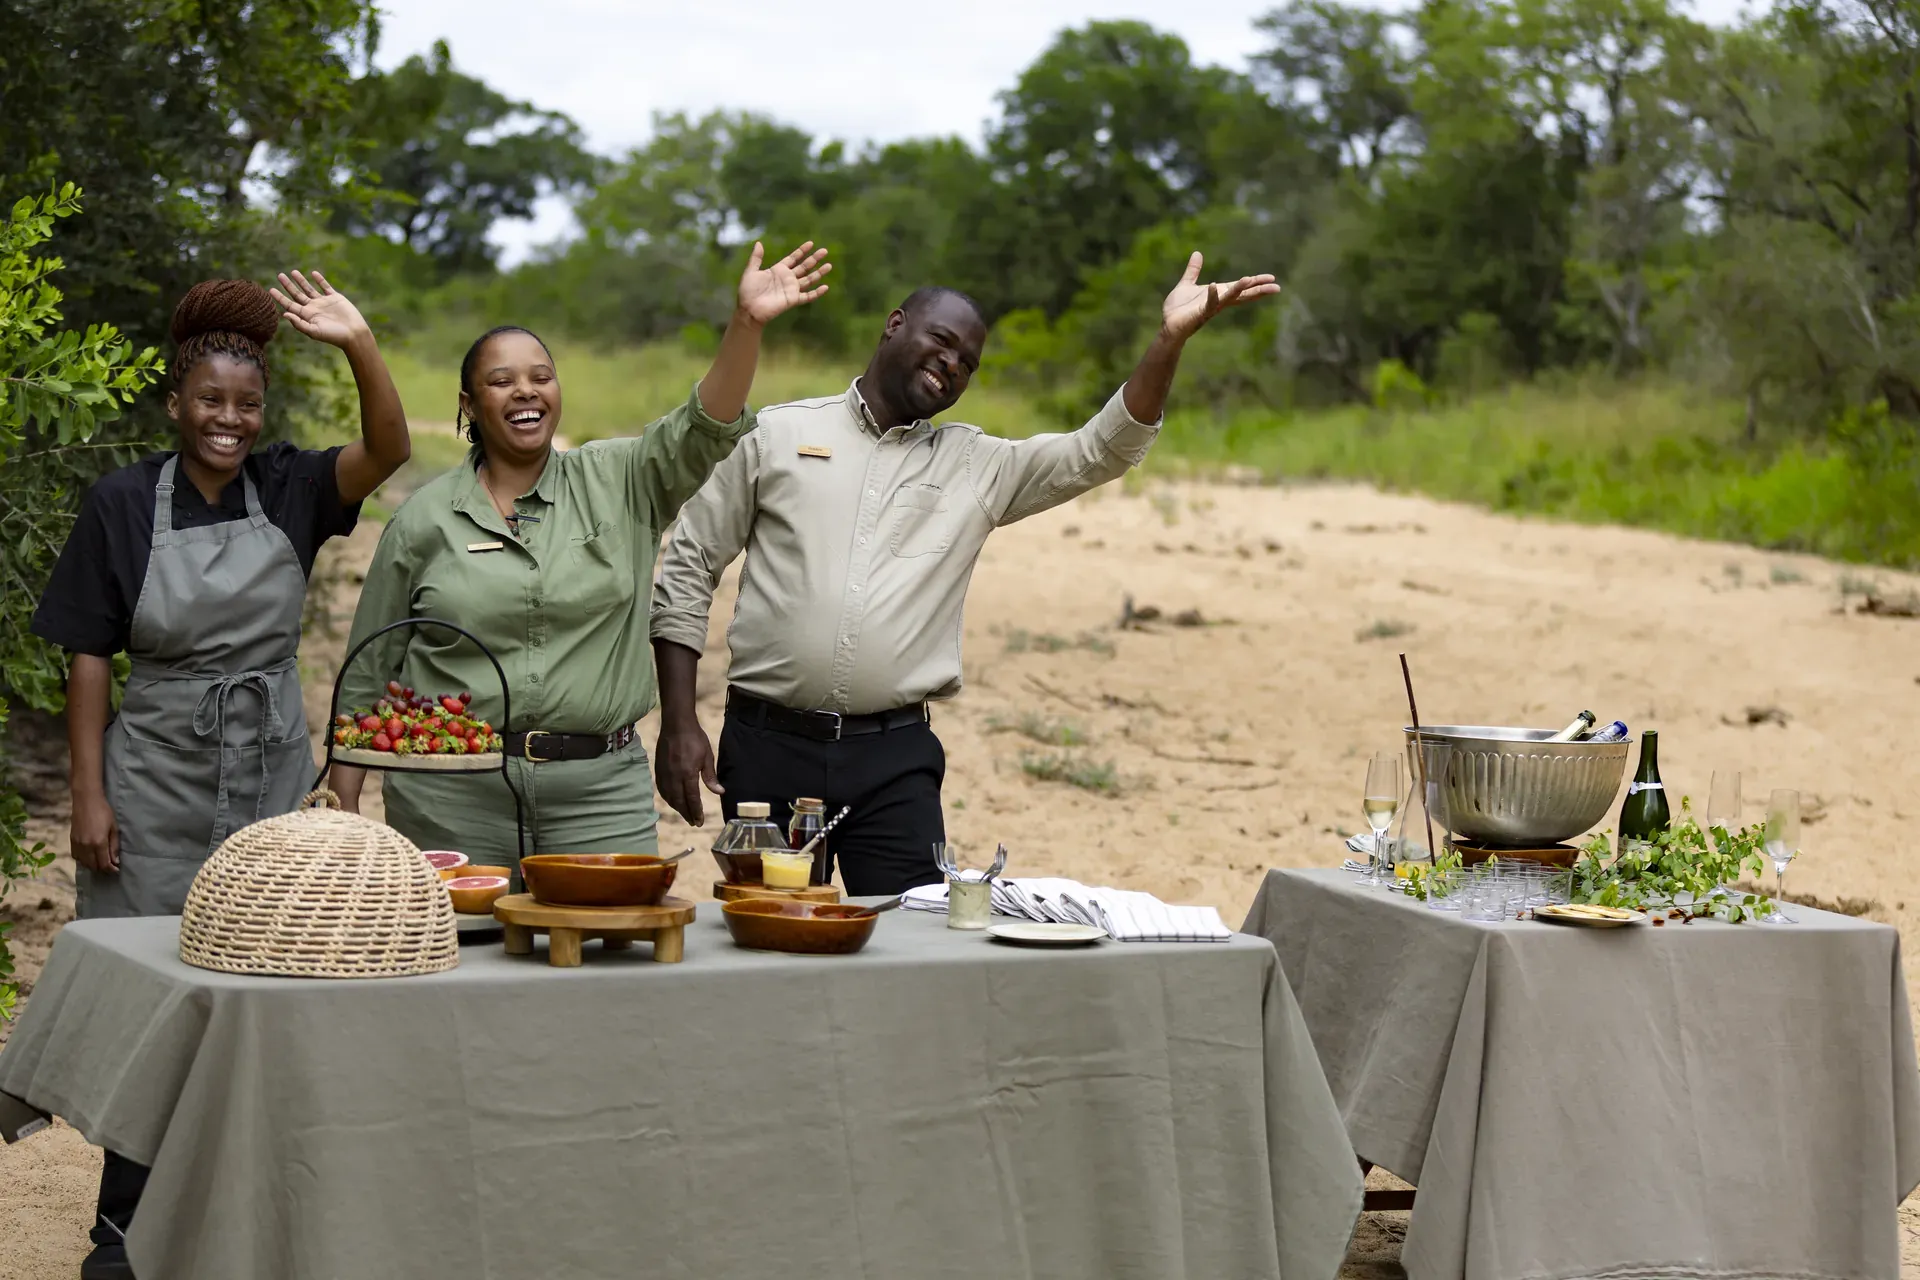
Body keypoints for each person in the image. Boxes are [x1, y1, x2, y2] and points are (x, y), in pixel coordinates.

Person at [650, 251, 1279, 895]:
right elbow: (689, 567)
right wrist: (679, 721)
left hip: (892, 760)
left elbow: (1103, 449)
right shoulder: (777, 435)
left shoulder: (980, 467)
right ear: (895, 325)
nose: (952, 365)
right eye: (942, 341)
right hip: (767, 750)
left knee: (913, 954)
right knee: (770, 943)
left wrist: (1167, 342)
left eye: (969, 363)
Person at [30, 270, 411, 1280]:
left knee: (268, 986)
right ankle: (123, 1233)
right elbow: (88, 655)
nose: (230, 420)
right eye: (210, 401)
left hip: (269, 776)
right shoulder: (120, 502)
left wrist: (358, 339)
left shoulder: (289, 486)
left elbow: (392, 447)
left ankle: (255, 1225)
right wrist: (90, 794)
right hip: (149, 777)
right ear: (175, 402)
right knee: (143, 994)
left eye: (247, 404)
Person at [330, 241, 831, 861]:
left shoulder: (623, 479)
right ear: (468, 405)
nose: (525, 392)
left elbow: (705, 426)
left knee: (610, 947)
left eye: (541, 377)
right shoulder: (423, 520)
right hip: (449, 797)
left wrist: (746, 324)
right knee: (461, 953)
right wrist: (344, 806)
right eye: (500, 381)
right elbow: (368, 670)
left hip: (599, 796)